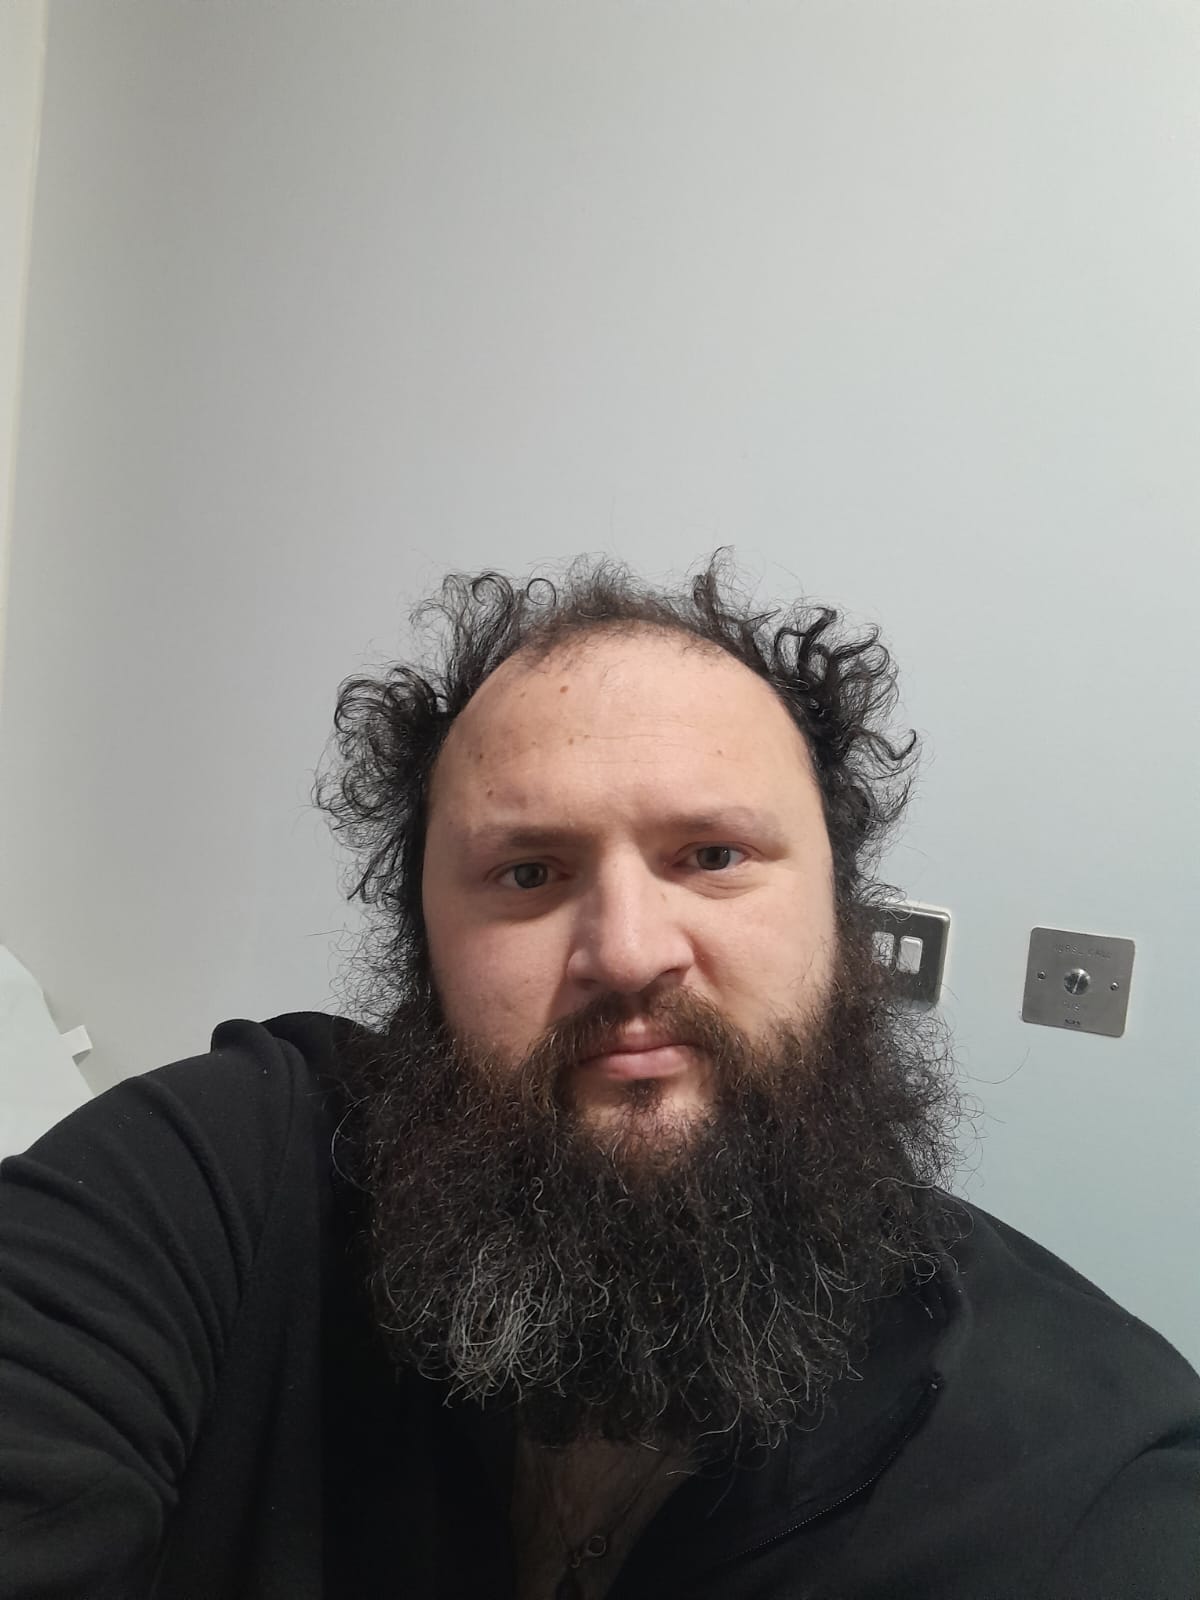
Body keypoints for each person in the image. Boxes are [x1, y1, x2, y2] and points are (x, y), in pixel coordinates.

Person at [1, 554, 1197, 1600]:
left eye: (713, 854)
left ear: (838, 920)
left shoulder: (1091, 1476)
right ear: (426, 948)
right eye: (529, 872)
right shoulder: (231, 1180)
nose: (626, 950)